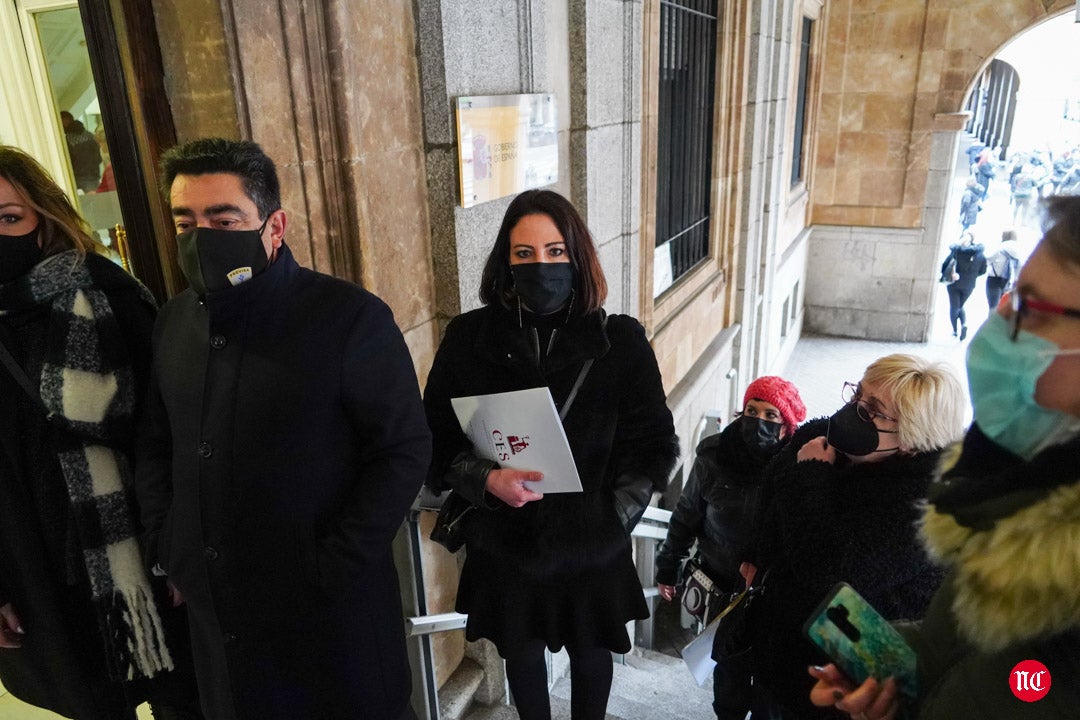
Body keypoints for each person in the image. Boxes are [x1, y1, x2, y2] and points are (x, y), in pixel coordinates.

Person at [134, 138, 431, 720]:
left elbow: (402, 450)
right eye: (185, 221)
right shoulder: (172, 322)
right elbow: (156, 444)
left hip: (329, 622)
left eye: (224, 219)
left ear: (274, 227)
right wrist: (170, 544)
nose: (201, 237)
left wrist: (329, 567)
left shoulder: (349, 318)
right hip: (219, 621)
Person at [809, 196, 1080, 719]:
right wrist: (891, 678)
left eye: (1029, 307)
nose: (997, 324)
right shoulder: (1004, 487)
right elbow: (960, 651)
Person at [423, 189, 678, 720]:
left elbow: (653, 445)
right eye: (525, 254)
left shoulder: (621, 341)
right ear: (505, 262)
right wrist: (485, 480)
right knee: (519, 654)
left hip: (592, 543)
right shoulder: (469, 338)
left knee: (592, 655)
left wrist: (611, 521)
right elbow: (434, 439)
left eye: (556, 251)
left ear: (577, 257)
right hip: (505, 540)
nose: (541, 266)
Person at [0, 146, 201, 719]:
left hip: (141, 557)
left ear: (46, 219)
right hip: (38, 570)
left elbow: (170, 435)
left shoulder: (107, 296)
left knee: (183, 699)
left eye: (8, 218)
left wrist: (180, 550)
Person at [746, 354, 966, 719]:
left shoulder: (925, 512)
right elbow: (773, 490)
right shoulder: (832, 442)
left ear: (912, 439)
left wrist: (813, 473)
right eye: (857, 397)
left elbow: (822, 567)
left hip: (838, 689)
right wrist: (755, 550)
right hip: (778, 655)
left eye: (872, 411)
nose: (852, 414)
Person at [655, 376, 806, 720]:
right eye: (752, 410)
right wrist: (669, 566)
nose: (758, 422)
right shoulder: (714, 457)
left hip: (775, 597)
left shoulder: (800, 467)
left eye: (771, 416)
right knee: (729, 681)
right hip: (723, 591)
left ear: (787, 426)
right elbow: (686, 515)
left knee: (771, 688)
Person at [941, 231, 987, 340]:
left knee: (954, 307)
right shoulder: (979, 254)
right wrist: (972, 276)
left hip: (954, 283)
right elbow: (983, 270)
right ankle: (964, 324)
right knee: (960, 306)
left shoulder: (956, 251)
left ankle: (955, 330)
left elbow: (945, 265)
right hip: (969, 284)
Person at [60, 111, 102, 193]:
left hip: (79, 180)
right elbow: (99, 158)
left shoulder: (67, 141)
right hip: (94, 177)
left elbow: (68, 162)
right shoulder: (89, 135)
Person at [985, 229, 1020, 311]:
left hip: (994, 279)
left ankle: (992, 323)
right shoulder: (1018, 249)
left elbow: (988, 258)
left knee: (993, 307)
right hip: (1010, 282)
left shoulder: (1000, 247)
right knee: (1004, 308)